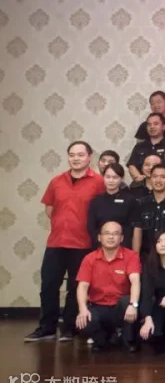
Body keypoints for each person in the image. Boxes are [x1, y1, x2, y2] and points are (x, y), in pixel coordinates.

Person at [26, 141, 106, 343]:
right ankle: (47, 328)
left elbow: (103, 210)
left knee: (75, 288)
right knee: (48, 285)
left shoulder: (98, 182)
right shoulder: (57, 181)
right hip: (56, 242)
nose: (76, 158)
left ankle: (70, 328)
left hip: (83, 244)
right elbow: (49, 208)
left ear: (89, 157)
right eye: (72, 155)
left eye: (80, 155)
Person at [74, 220, 141, 352]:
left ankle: (127, 339)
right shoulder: (89, 259)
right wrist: (82, 309)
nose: (111, 237)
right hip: (98, 306)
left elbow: (135, 281)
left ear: (121, 238)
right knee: (83, 322)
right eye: (107, 233)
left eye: (115, 234)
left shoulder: (131, 256)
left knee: (127, 301)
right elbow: (82, 286)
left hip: (120, 307)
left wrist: (133, 305)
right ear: (99, 237)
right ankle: (103, 338)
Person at [87, 163, 137, 250]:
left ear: (121, 179)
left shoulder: (130, 200)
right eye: (108, 177)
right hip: (100, 247)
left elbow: (132, 228)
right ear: (103, 177)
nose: (111, 180)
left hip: (123, 247)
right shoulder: (96, 201)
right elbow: (91, 227)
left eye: (115, 177)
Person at [127, 113, 165, 182]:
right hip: (142, 185)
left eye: (156, 124)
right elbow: (132, 165)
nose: (152, 127)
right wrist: (140, 178)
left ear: (163, 127)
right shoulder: (139, 146)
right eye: (149, 124)